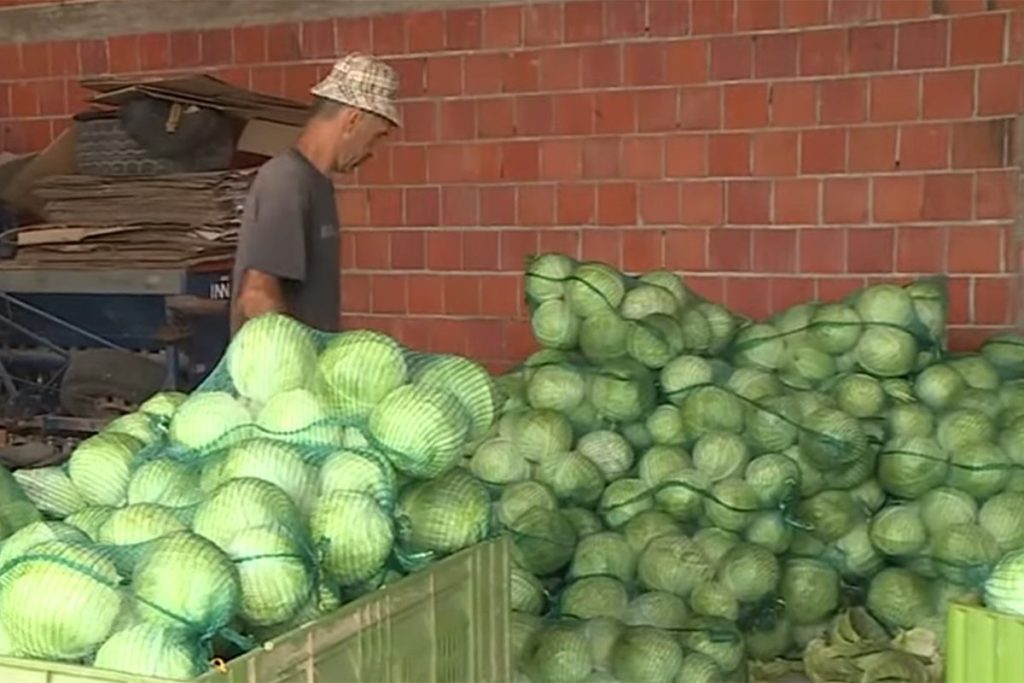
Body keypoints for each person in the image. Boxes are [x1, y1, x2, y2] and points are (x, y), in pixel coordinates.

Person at [230, 53, 400, 334]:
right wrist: (298, 363)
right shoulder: (285, 182)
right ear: (352, 121)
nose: (372, 152)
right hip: (280, 373)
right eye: (376, 136)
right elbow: (256, 297)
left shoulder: (317, 184)